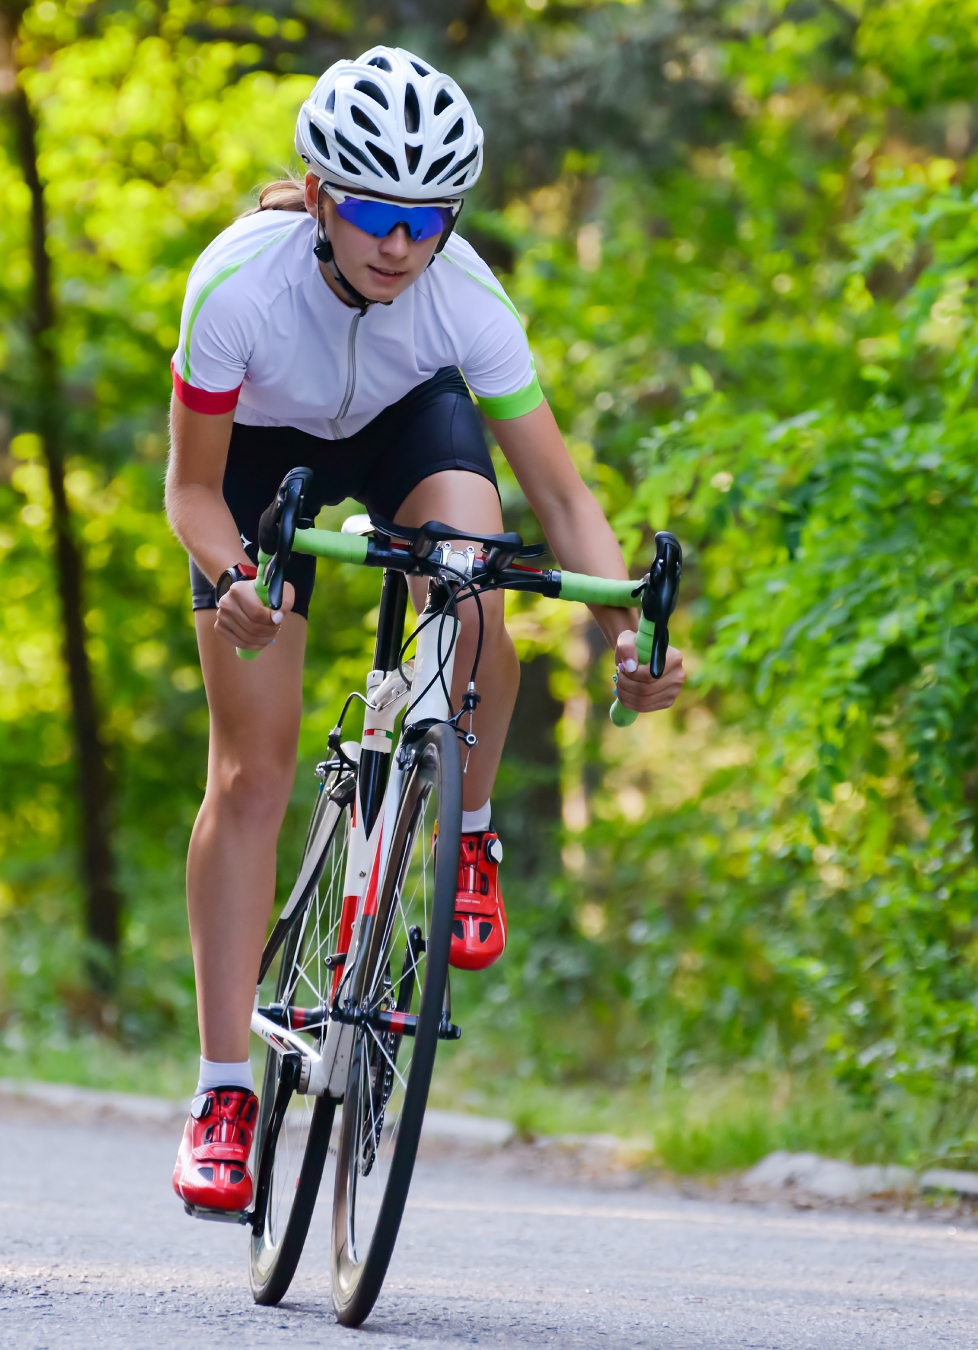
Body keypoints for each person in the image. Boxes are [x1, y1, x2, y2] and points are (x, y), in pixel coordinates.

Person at [163, 46, 688, 1214]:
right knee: (252, 772)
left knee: (477, 572)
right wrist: (233, 574)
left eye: (429, 218)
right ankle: (220, 1093)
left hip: (408, 426)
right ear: (316, 194)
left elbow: (561, 499)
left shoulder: (464, 297)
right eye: (374, 212)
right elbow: (191, 493)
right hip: (260, 462)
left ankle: (469, 828)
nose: (400, 244)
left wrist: (627, 635)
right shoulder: (234, 288)